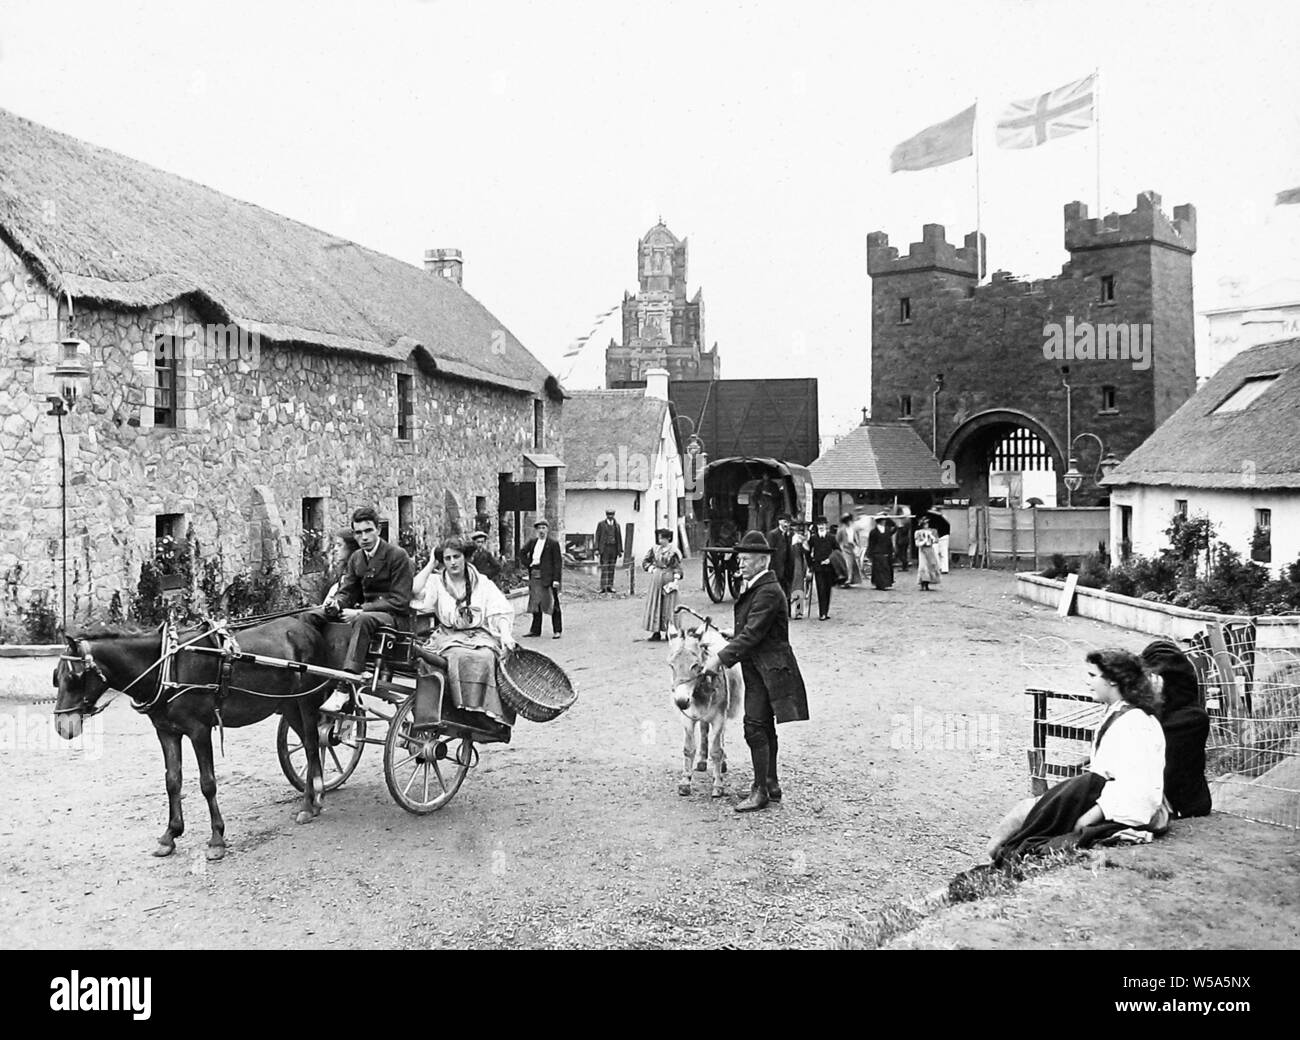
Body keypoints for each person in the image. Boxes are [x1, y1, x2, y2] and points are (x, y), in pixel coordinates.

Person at [987, 648, 1167, 865]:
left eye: (1093, 676)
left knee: (1026, 816)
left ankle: (993, 861)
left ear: (1113, 680)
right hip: (1095, 794)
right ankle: (993, 858)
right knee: (1024, 812)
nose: (1087, 682)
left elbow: (1136, 787)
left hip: (1112, 808)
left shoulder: (1135, 723)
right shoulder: (1120, 712)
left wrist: (1090, 816)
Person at [703, 530, 810, 812]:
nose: (739, 564)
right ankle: (771, 781)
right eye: (740, 559)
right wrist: (733, 633)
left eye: (746, 559)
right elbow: (752, 629)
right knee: (764, 726)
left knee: (755, 727)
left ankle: (760, 791)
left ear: (762, 562)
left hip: (768, 668)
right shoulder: (761, 586)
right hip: (763, 667)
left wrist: (719, 659)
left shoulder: (769, 591)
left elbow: (753, 635)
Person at [411, 535, 517, 736]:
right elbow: (414, 590)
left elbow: (500, 610)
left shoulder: (481, 583)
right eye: (447, 558)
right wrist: (431, 563)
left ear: (465, 557)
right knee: (457, 656)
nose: (452, 562)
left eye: (456, 557)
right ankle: (460, 709)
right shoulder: (436, 581)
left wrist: (505, 635)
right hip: (449, 635)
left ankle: (482, 712)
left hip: (478, 635)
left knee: (487, 657)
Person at [302, 505, 414, 677]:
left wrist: (361, 611)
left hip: (393, 617)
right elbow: (348, 591)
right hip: (365, 613)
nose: (364, 537)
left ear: (378, 529)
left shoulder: (397, 556)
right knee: (310, 615)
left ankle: (348, 679)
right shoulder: (356, 558)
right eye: (358, 533)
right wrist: (337, 603)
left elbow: (400, 601)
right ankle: (311, 666)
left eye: (368, 531)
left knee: (362, 619)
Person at [1143, 639, 1212, 819]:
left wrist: (1153, 705)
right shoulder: (1146, 711)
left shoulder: (1192, 720)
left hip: (1182, 808)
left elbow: (1162, 768)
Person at [519, 518, 563, 639]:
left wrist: (556, 580)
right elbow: (522, 552)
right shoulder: (533, 542)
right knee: (535, 603)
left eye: (543, 528)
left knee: (553, 604)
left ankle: (557, 630)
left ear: (547, 529)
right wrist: (529, 563)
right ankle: (535, 630)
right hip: (535, 575)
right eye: (539, 528)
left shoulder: (553, 543)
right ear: (536, 530)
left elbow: (557, 563)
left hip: (548, 578)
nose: (541, 531)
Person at [641, 528, 683, 641]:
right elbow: (645, 561)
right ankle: (656, 631)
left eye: (662, 538)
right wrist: (652, 568)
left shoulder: (674, 551)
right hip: (657, 579)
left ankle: (670, 631)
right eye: (659, 538)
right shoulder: (655, 549)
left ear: (668, 538)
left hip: (669, 578)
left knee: (669, 605)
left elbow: (677, 567)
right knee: (656, 603)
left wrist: (675, 579)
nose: (660, 540)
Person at [805, 515, 837, 621]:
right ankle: (822, 613)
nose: (821, 526)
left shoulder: (831, 537)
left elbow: (837, 551)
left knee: (827, 589)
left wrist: (830, 559)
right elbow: (807, 551)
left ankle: (825, 611)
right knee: (820, 589)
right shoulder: (813, 538)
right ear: (817, 526)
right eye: (819, 525)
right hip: (818, 567)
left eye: (823, 524)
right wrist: (811, 564)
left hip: (829, 567)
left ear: (826, 525)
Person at [321, 528, 360, 603]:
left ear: (351, 547)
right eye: (335, 545)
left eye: (339, 545)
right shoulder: (342, 571)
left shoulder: (358, 573)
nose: (335, 549)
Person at [766, 514, 794, 600]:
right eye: (785, 522)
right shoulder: (773, 534)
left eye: (788, 523)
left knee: (787, 595)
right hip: (777, 570)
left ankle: (789, 613)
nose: (787, 525)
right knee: (777, 595)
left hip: (787, 570)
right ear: (779, 522)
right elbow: (770, 553)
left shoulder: (790, 535)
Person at [595, 509, 623, 593]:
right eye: (608, 515)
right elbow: (597, 536)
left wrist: (620, 550)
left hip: (614, 549)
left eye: (612, 515)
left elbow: (619, 538)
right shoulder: (601, 524)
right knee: (604, 567)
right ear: (606, 515)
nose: (610, 516)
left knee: (612, 568)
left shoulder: (617, 525)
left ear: (614, 515)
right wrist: (596, 549)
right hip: (605, 549)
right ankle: (603, 587)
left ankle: (610, 586)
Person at [865, 514, 894, 590]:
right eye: (883, 520)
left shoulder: (887, 530)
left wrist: (891, 551)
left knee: (885, 568)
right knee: (878, 569)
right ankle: (880, 584)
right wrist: (870, 553)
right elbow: (871, 543)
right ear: (880, 521)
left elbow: (889, 541)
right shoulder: (873, 532)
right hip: (877, 552)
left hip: (886, 551)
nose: (884, 521)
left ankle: (885, 583)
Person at [789, 521, 810, 620]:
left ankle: (799, 611)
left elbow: (806, 552)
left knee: (798, 587)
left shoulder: (800, 539)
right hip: (789, 564)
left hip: (798, 564)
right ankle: (788, 611)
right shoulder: (787, 537)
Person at [914, 515, 942, 591]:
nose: (927, 525)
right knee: (923, 566)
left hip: (930, 550)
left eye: (927, 523)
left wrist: (931, 538)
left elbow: (935, 540)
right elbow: (917, 543)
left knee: (931, 566)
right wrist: (924, 541)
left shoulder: (930, 531)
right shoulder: (918, 532)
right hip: (922, 550)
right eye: (925, 524)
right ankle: (922, 583)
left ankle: (928, 583)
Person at [925, 504, 952, 573]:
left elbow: (932, 530)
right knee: (944, 552)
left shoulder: (932, 519)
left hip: (938, 536)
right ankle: (945, 569)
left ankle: (937, 567)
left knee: (936, 552)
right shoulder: (943, 517)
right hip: (945, 535)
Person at [837, 513, 862, 587]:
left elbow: (856, 538)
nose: (849, 522)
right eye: (847, 521)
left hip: (852, 548)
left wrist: (857, 545)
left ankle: (850, 579)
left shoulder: (853, 529)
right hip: (844, 548)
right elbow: (838, 540)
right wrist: (840, 547)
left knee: (851, 564)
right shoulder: (841, 529)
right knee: (847, 564)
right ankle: (847, 579)